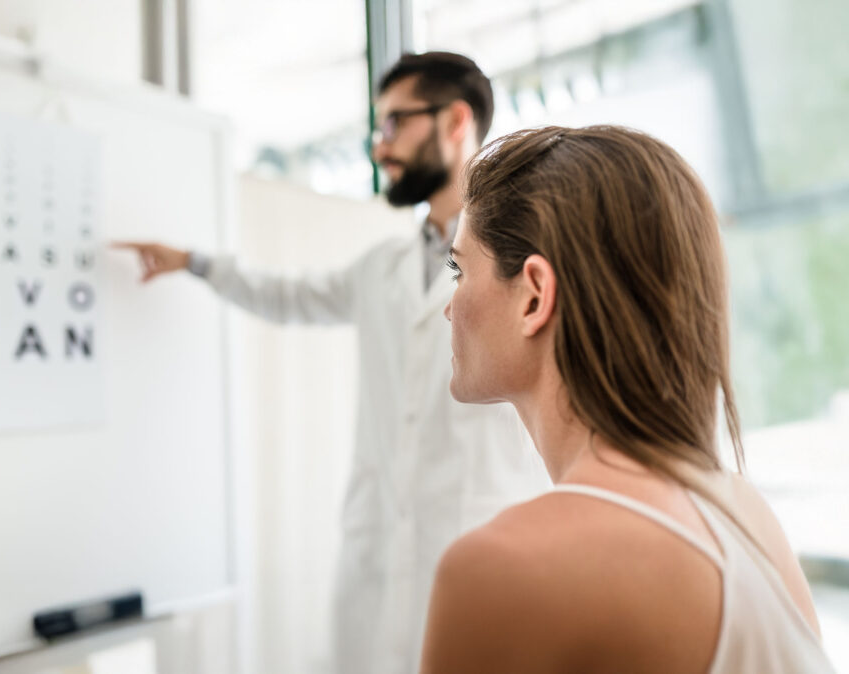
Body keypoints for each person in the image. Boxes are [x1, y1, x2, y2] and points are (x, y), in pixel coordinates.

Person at [111, 52, 548, 674]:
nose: (380, 147)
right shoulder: (380, 271)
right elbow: (287, 294)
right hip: (375, 557)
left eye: (395, 124)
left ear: (455, 121)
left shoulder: (529, 258)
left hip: (484, 554)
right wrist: (193, 262)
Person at [423, 124, 835, 673]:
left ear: (534, 296)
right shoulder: (742, 512)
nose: (448, 309)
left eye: (459, 269)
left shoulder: (504, 569)